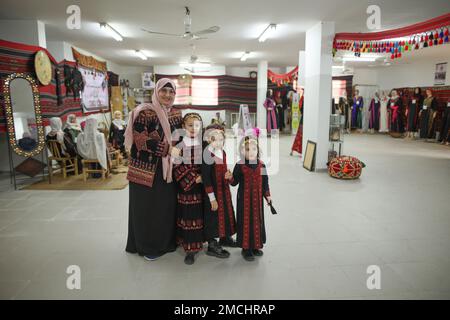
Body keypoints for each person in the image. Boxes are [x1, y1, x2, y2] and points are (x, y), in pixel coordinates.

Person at [124, 78, 183, 261]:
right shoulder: (145, 112)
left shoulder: (175, 114)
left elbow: (180, 137)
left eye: (171, 92)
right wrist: (166, 149)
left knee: (165, 207)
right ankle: (147, 246)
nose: (167, 95)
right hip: (145, 169)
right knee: (146, 209)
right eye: (163, 91)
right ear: (156, 92)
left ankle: (165, 243)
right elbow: (139, 139)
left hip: (168, 169)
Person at [229, 134, 272, 262]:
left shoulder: (262, 165)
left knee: (257, 222)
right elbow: (234, 182)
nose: (251, 152)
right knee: (246, 222)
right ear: (242, 151)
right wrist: (229, 177)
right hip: (244, 201)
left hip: (257, 201)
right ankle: (246, 248)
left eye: (254, 149)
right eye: (247, 149)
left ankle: (255, 246)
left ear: (258, 149)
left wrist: (268, 196)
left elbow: (265, 183)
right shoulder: (240, 165)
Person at [173, 113, 205, 265]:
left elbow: (209, 163)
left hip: (201, 188)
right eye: (190, 125)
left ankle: (200, 243)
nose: (194, 128)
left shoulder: (203, 144)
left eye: (197, 125)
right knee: (188, 217)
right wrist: (193, 178)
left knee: (200, 216)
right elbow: (176, 164)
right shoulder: (179, 145)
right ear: (183, 127)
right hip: (186, 188)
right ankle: (189, 249)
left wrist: (205, 176)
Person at [201, 123, 236, 259]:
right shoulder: (207, 154)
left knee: (226, 213)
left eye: (221, 139)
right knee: (213, 218)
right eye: (215, 139)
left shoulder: (223, 152)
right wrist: (212, 198)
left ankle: (224, 238)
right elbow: (206, 178)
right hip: (213, 193)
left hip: (224, 190)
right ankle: (212, 244)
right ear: (209, 139)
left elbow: (223, 171)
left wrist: (228, 176)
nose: (219, 142)